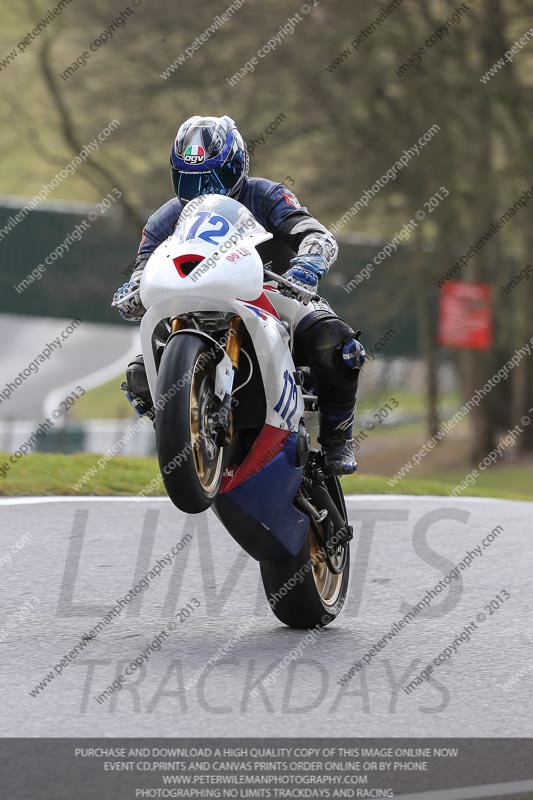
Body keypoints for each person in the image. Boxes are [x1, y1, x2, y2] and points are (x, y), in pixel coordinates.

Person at [111, 115, 364, 474]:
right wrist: (135, 290)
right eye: (190, 179)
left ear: (238, 166)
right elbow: (143, 269)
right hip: (194, 299)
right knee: (139, 374)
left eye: (213, 178)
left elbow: (316, 234)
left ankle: (339, 438)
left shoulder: (268, 195)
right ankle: (185, 433)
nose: (203, 189)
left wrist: (307, 264)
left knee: (336, 343)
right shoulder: (163, 218)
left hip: (272, 290)